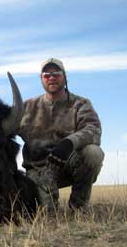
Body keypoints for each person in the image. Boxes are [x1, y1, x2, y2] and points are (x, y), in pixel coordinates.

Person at [18, 58, 104, 214]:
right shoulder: (26, 107)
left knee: (93, 153)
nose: (51, 77)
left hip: (68, 165)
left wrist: (69, 143)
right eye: (47, 74)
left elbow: (93, 130)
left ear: (64, 77)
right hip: (38, 170)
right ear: (41, 79)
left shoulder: (81, 103)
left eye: (56, 73)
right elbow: (3, 131)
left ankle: (78, 208)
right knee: (46, 215)